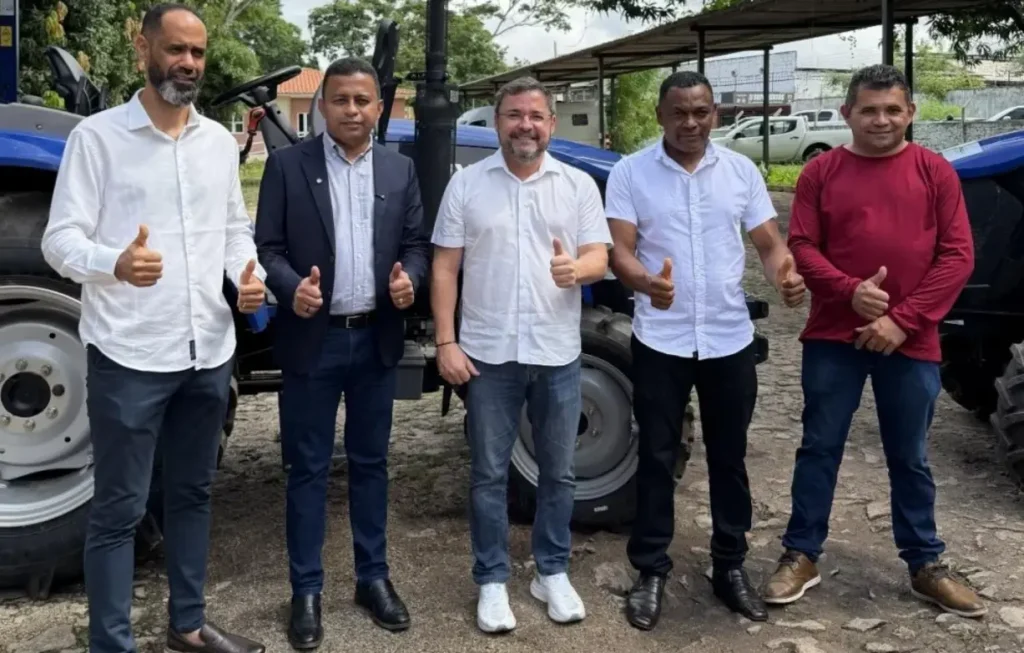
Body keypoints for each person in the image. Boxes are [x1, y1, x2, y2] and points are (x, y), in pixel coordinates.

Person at [40, 4, 267, 653]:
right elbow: (60, 241)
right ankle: (112, 643)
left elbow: (233, 229)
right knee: (118, 510)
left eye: (197, 53)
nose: (188, 64)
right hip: (130, 354)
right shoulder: (98, 139)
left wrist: (247, 275)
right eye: (175, 49)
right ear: (143, 48)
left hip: (208, 351)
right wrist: (112, 261)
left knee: (192, 495)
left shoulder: (220, 142)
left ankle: (187, 625)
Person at [761, 64, 984, 618]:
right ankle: (802, 553)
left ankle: (924, 562)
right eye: (869, 110)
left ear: (910, 113)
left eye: (892, 110)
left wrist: (902, 320)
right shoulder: (821, 172)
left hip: (910, 340)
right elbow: (804, 246)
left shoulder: (935, 172)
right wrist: (849, 292)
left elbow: (958, 256)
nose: (881, 120)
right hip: (833, 336)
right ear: (847, 115)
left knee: (909, 455)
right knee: (819, 447)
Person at [604, 70, 806, 631]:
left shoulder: (740, 171)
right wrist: (645, 282)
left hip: (727, 337)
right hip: (660, 339)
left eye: (702, 112)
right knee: (656, 455)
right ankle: (650, 570)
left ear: (715, 113)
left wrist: (785, 276)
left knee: (729, 457)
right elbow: (619, 250)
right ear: (660, 116)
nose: (691, 123)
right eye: (679, 113)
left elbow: (769, 244)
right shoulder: (630, 172)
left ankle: (730, 567)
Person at [254, 56, 429, 648]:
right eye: (341, 100)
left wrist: (412, 282)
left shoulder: (400, 170)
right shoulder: (286, 166)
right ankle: (306, 589)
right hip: (313, 341)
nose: (352, 111)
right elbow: (268, 248)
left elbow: (415, 245)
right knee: (305, 468)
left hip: (375, 338)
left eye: (363, 101)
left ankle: (372, 578)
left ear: (380, 108)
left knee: (372, 463)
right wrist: (288, 287)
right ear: (322, 106)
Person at [430, 76, 611, 634]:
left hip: (556, 351)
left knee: (558, 471)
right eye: (513, 115)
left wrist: (574, 271)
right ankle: (491, 578)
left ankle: (550, 571)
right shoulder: (466, 186)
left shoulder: (578, 185)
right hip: (488, 354)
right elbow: (444, 267)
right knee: (488, 474)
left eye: (535, 115)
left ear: (551, 124)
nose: (524, 125)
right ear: (498, 121)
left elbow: (599, 257)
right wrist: (445, 340)